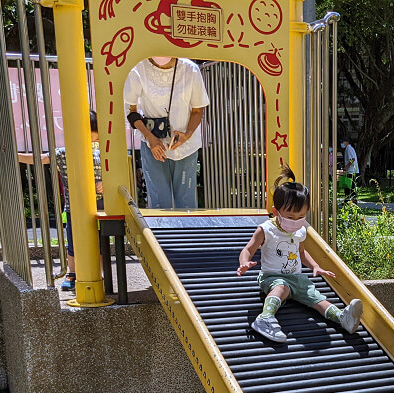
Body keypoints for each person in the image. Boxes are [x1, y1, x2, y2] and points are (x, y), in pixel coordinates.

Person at [237, 166, 363, 343]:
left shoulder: (300, 230)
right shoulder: (266, 230)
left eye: (301, 216)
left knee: (315, 296)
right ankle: (264, 318)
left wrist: (315, 266)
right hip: (271, 277)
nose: (296, 221)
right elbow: (248, 249)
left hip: (297, 277)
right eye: (290, 216)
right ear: (276, 212)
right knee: (282, 287)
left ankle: (343, 318)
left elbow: (301, 253)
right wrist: (244, 263)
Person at [18, 110, 102, 292]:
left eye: (94, 141)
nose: (92, 145)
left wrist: (105, 184)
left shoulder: (101, 154)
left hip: (99, 207)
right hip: (75, 207)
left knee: (99, 242)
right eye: (88, 140)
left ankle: (98, 273)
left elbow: (114, 175)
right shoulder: (64, 154)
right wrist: (15, 155)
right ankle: (72, 273)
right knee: (72, 243)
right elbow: (40, 159)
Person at [124, 56, 209, 209]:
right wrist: (150, 138)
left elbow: (198, 110)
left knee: (186, 202)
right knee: (158, 201)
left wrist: (187, 135)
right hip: (152, 145)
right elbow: (131, 111)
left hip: (185, 147)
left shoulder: (190, 69)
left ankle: (187, 232)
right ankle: (160, 233)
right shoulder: (138, 67)